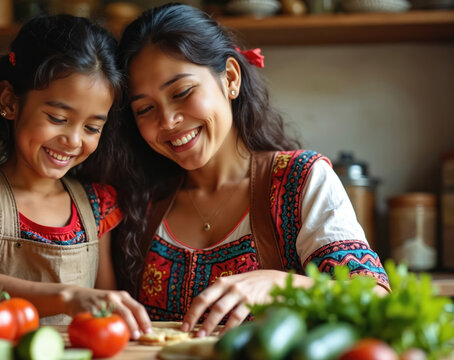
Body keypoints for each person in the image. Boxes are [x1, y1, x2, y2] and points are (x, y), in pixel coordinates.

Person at [112, 3, 390, 337]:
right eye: (145, 109)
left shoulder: (300, 181)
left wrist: (280, 285)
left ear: (230, 78)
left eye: (182, 92)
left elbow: (374, 300)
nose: (168, 121)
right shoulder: (138, 200)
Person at [0, 14, 151, 337]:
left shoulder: (97, 204)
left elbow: (105, 304)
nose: (74, 140)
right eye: (58, 118)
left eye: (91, 127)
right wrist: (68, 296)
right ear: (9, 101)